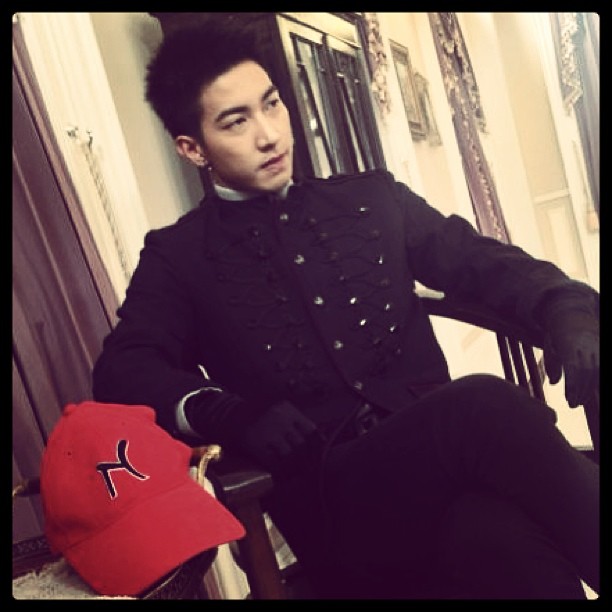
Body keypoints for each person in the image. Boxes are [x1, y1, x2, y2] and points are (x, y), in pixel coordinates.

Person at [92, 19, 599, 599]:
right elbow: (122, 372)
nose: (270, 135)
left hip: (445, 471)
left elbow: (480, 262)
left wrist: (565, 306)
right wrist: (227, 411)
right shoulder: (179, 255)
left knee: (506, 542)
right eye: (236, 121)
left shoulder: (372, 199)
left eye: (272, 104)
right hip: (333, 505)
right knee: (484, 407)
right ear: (192, 148)